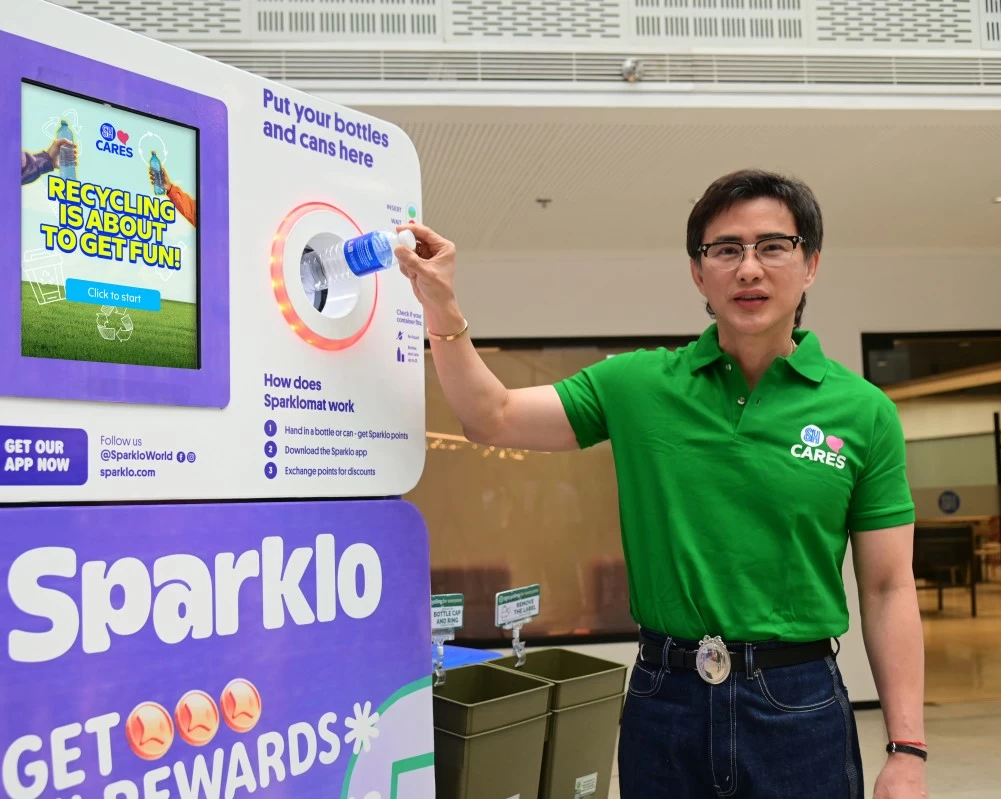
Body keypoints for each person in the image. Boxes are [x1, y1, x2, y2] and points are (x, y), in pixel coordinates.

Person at [394, 169, 926, 799]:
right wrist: (442, 308)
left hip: (798, 705)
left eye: (772, 246)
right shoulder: (639, 386)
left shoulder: (863, 411)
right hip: (664, 698)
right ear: (699, 273)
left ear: (809, 264)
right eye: (725, 249)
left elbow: (890, 586)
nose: (749, 268)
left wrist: (907, 748)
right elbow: (492, 415)